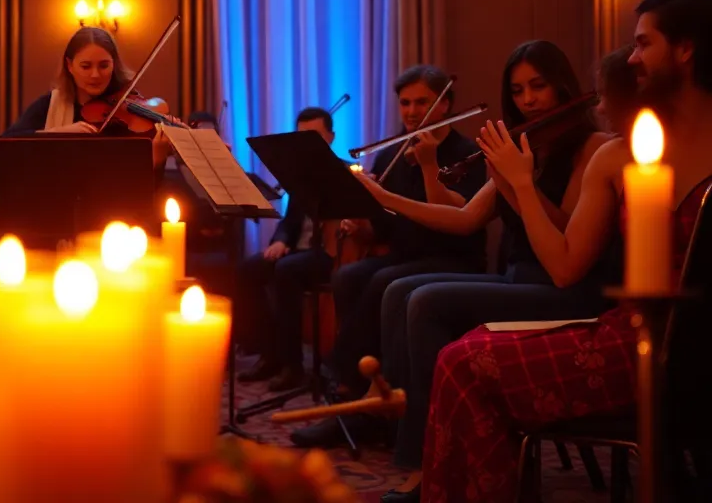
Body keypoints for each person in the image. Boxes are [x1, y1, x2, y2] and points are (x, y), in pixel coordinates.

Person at [419, 0, 712, 503]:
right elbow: (564, 264)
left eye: (643, 44)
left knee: (461, 360)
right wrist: (520, 183)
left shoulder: (601, 149)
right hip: (636, 333)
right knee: (461, 357)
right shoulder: (620, 155)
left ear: (686, 49)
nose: (632, 58)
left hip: (683, 348)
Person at [354, 41, 620, 502]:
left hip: (568, 290)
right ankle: (409, 434)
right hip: (521, 281)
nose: (528, 100)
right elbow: (464, 218)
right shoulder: (524, 146)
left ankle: (427, 464)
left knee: (427, 301)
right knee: (400, 291)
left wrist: (520, 182)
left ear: (562, 85)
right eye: (517, 91)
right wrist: (383, 198)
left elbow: (567, 239)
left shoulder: (592, 148)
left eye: (538, 86)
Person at [291, 66, 486, 449]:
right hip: (404, 257)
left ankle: (348, 387)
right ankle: (364, 388)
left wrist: (428, 165)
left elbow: (457, 223)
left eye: (422, 102)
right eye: (405, 103)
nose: (411, 112)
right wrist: (359, 220)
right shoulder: (390, 156)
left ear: (445, 104)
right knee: (349, 276)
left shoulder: (466, 153)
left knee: (384, 280)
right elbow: (380, 232)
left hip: (453, 258)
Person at [235, 107, 340, 390]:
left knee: (286, 270)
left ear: (330, 137)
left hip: (329, 254)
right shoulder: (299, 175)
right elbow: (290, 221)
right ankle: (269, 353)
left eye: (314, 136)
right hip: (297, 252)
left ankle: (292, 365)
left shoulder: (343, 173)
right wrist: (280, 240)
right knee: (247, 270)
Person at [1, 26, 179, 163]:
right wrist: (57, 133)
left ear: (114, 65)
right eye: (86, 66)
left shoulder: (128, 110)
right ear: (70, 66)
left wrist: (156, 160)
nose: (95, 75)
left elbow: (140, 189)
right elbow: (5, 144)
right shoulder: (50, 104)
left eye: (104, 66)